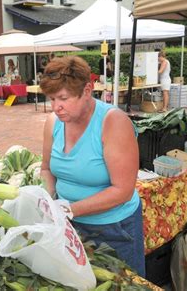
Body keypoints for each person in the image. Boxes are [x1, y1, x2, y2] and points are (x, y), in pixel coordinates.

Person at [39, 56, 145, 277]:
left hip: (113, 228)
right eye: (51, 99)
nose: (56, 107)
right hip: (70, 226)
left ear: (87, 90)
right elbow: (47, 168)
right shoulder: (53, 122)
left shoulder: (113, 122)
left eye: (63, 98)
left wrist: (69, 209)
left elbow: (123, 191)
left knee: (121, 282)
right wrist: (48, 197)